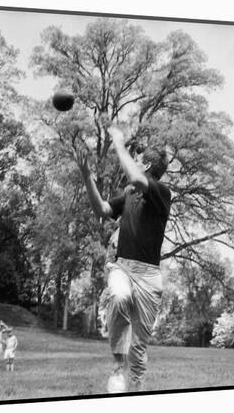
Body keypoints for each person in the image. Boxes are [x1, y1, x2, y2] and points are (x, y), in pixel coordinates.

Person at [75, 124, 171, 393]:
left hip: (150, 277)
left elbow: (139, 180)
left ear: (148, 165)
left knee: (139, 352)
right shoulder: (128, 194)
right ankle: (118, 365)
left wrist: (118, 143)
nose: (134, 162)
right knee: (118, 296)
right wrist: (87, 177)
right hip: (123, 267)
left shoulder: (162, 193)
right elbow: (103, 208)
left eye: (138, 159)